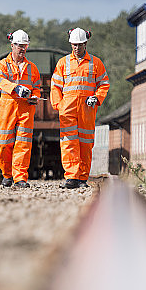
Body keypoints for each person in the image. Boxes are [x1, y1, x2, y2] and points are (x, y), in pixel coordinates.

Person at [50, 27, 110, 189]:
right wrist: (59, 105)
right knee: (69, 143)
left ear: (86, 43)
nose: (77, 48)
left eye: (80, 45)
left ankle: (82, 178)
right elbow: (55, 86)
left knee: (85, 143)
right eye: (74, 45)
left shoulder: (95, 63)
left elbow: (104, 84)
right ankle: (71, 177)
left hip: (87, 109)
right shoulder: (63, 63)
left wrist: (96, 98)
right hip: (67, 109)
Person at [0, 29, 41, 188]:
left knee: (23, 144)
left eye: (24, 46)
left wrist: (35, 96)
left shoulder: (32, 68)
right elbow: (1, 82)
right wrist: (16, 88)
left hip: (26, 108)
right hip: (8, 106)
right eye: (19, 46)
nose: (22, 49)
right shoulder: (2, 65)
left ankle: (20, 178)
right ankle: (7, 175)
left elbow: (37, 87)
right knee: (3, 143)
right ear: (12, 45)